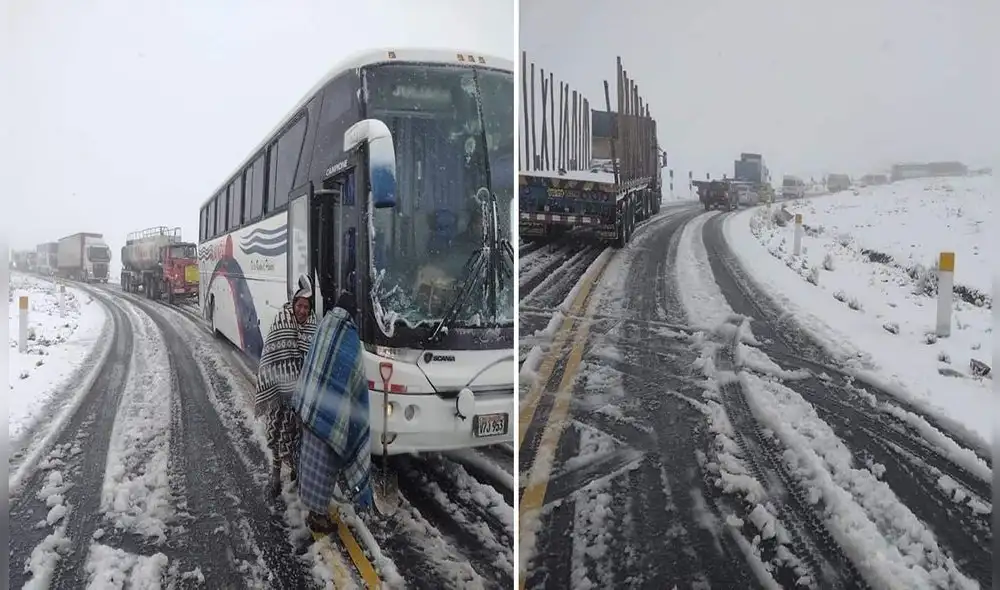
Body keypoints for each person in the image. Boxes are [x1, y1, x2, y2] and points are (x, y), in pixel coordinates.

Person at [292, 290, 373, 533]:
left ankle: (311, 507)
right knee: (325, 470)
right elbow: (356, 383)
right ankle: (317, 517)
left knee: (310, 463)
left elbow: (313, 366)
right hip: (329, 418)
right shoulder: (349, 338)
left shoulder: (324, 326)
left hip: (311, 409)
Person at [254, 274, 318, 498]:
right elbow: (270, 357)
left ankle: (296, 471)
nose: (302, 311)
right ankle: (275, 474)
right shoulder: (282, 321)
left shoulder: (313, 326)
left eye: (306, 307)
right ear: (293, 305)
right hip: (279, 393)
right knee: (276, 432)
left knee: (298, 436)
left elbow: (314, 362)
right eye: (299, 306)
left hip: (301, 396)